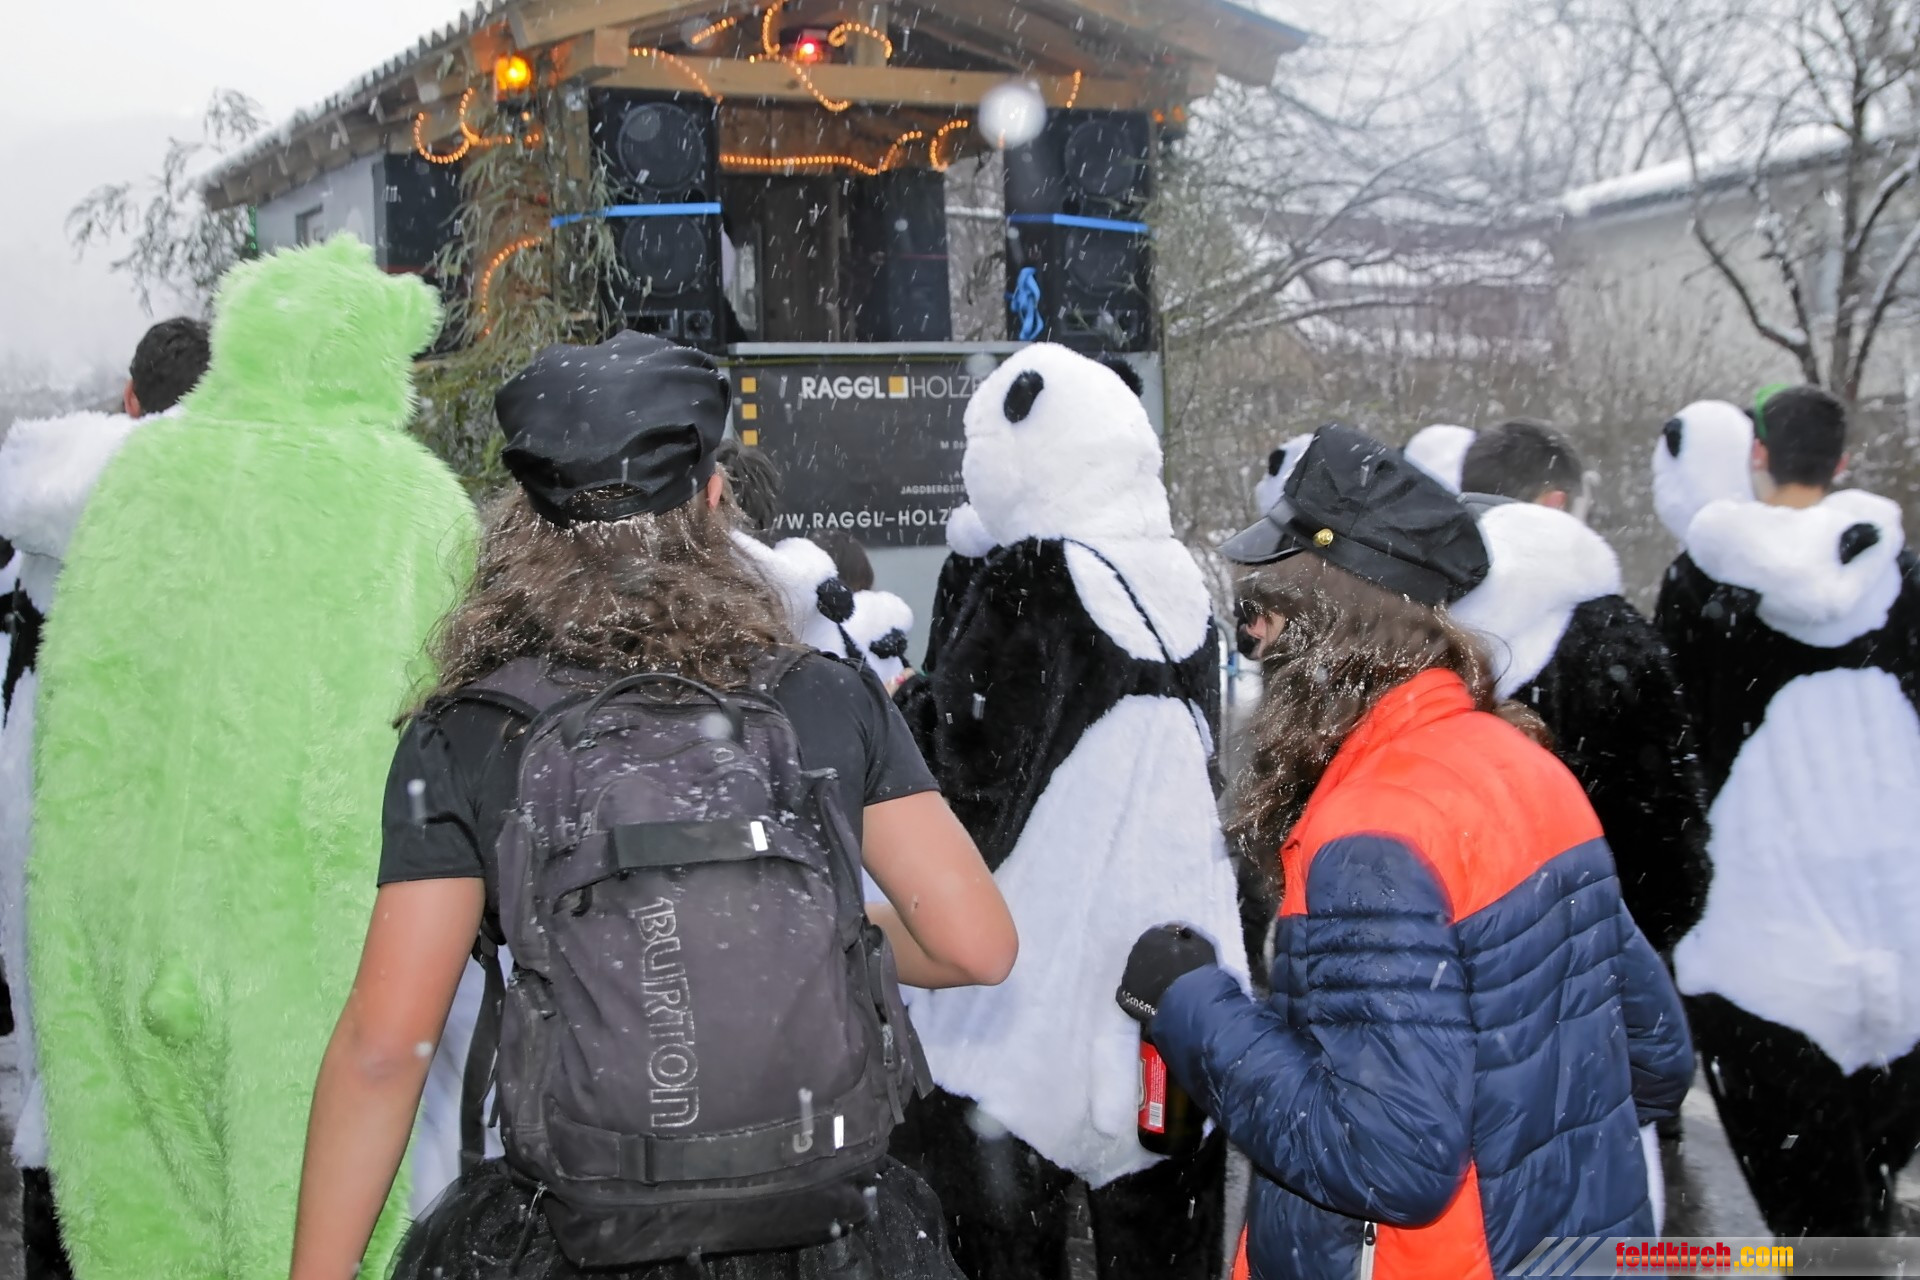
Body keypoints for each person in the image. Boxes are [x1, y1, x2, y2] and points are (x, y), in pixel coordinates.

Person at [289, 331, 1014, 1280]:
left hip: (580, 1233)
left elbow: (385, 1050)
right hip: (822, 1236)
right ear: (713, 502)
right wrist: (784, 923)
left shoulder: (469, 733)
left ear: (524, 523)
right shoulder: (825, 698)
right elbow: (976, 946)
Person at [1124, 424, 1692, 1280]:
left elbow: (1386, 1160)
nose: (1254, 643)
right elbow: (1653, 1056)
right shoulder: (1530, 769)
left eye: (1262, 612)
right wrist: (1514, 1150)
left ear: (1325, 627)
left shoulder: (1372, 836)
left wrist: (1191, 1004)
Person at [25, 238, 476, 1278]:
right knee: (309, 1202)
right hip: (315, 922)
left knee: (144, 1197)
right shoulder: (413, 502)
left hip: (121, 902)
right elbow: (453, 715)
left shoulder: (138, 482)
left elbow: (78, 708)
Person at [892, 344, 1248, 1280]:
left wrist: (907, 707)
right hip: (1170, 973)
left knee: (999, 1232)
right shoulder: (1183, 585)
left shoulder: (1033, 579)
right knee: (1165, 1234)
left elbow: (968, 791)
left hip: (1033, 994)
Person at [1656, 384, 1920, 1236]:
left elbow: (1678, 744)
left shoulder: (1703, 582)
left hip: (1758, 940)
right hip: (1900, 932)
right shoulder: (1902, 577)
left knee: (1808, 1217)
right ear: (1843, 461)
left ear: (1759, 455)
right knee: (1867, 1182)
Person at [0, 314, 211, 1280]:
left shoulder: (27, 558)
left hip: (51, 916)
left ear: (129, 401)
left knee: (70, 1138)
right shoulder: (252, 541)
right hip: (195, 943)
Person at [1452, 420, 1712, 955]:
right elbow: (1668, 848)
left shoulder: (1403, 618)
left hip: (1436, 951)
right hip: (1588, 952)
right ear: (1556, 502)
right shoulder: (1613, 639)